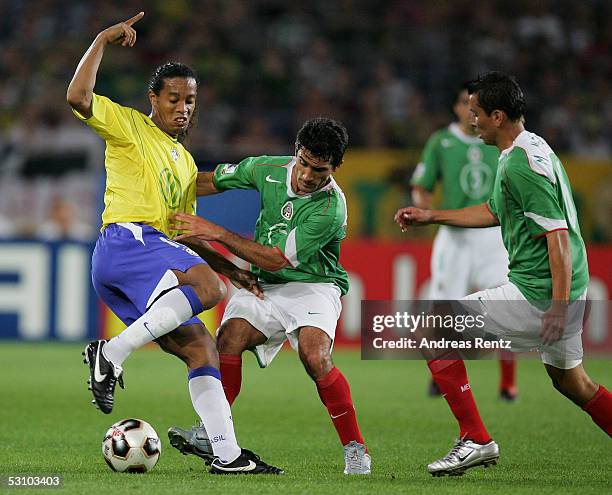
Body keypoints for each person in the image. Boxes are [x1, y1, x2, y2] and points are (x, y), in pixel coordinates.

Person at [66, 12, 282, 475]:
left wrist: (233, 270)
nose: (183, 108)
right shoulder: (127, 126)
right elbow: (77, 96)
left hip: (137, 259)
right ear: (153, 100)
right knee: (209, 291)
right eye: (173, 99)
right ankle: (112, 353)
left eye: (190, 100)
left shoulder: (183, 161)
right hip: (127, 240)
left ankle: (227, 456)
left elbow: (185, 233)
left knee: (200, 346)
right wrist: (102, 39)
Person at [395, 71, 612, 476]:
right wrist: (433, 215)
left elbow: (558, 237)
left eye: (476, 113)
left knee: (431, 327)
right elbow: (495, 211)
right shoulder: (530, 148)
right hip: (564, 288)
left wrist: (557, 309)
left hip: (541, 294)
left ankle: (475, 439)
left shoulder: (519, 166)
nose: (470, 120)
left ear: (497, 116)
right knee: (573, 384)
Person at [166, 118, 371, 475]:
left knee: (314, 354)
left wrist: (215, 232)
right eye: (304, 162)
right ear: (296, 152)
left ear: (336, 168)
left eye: (319, 170)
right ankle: (213, 434)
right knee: (228, 339)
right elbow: (207, 181)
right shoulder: (267, 168)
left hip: (313, 285)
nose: (307, 175)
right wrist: (160, 192)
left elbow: (276, 259)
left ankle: (355, 448)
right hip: (265, 284)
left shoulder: (330, 208)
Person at [411, 82, 518, 401]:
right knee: (443, 307)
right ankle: (442, 376)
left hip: (492, 233)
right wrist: (425, 206)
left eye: (475, 105)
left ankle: (508, 383)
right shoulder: (441, 141)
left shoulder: (496, 140)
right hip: (454, 235)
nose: (469, 110)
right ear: (457, 107)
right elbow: (422, 183)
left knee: (504, 306)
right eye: (463, 103)